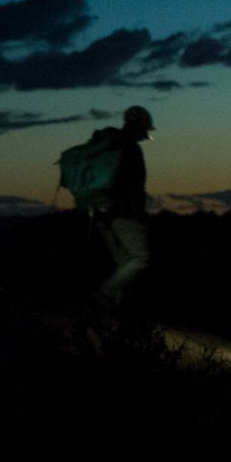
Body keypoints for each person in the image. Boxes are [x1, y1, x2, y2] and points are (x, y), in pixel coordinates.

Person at [92, 105, 155, 309]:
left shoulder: (109, 146)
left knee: (123, 262)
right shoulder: (130, 149)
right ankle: (104, 296)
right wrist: (138, 215)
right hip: (122, 214)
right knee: (139, 259)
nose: (145, 134)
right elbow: (133, 185)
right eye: (144, 128)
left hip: (102, 214)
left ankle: (113, 309)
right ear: (138, 126)